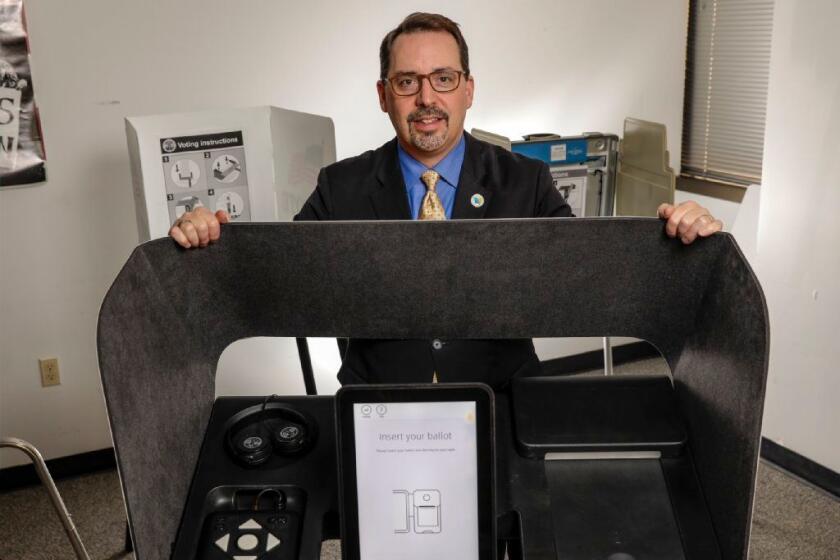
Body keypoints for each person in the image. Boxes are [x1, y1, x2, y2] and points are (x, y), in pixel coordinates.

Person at [169, 12, 723, 388]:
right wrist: (212, 240)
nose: (427, 98)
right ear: (384, 95)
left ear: (468, 89)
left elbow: (583, 274)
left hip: (502, 402)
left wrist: (673, 238)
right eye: (408, 82)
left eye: (443, 78)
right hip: (379, 407)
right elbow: (283, 275)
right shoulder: (340, 187)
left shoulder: (526, 182)